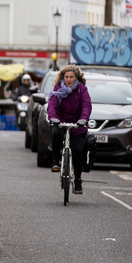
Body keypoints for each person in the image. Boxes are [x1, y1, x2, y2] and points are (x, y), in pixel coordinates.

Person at [47, 65, 92, 195]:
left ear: (76, 77)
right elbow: (52, 104)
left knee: (77, 151)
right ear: (63, 77)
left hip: (78, 124)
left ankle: (78, 180)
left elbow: (86, 105)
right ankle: (55, 161)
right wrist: (53, 118)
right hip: (61, 121)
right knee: (56, 132)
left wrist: (83, 119)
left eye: (71, 77)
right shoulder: (58, 89)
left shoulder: (82, 90)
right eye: (66, 77)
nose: (68, 79)